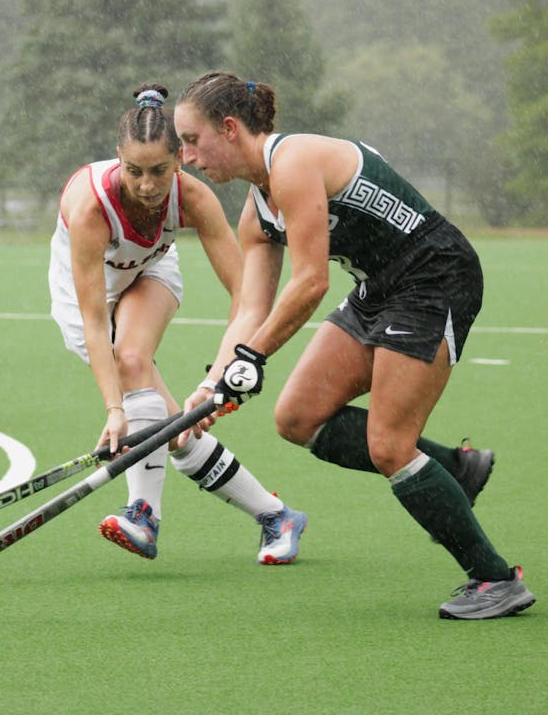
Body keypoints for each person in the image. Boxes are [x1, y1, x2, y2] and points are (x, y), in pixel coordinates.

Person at [174, 71, 535, 619]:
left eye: (192, 140)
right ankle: (454, 469)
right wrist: (211, 383)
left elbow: (311, 281)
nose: (188, 158)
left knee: (390, 445)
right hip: (379, 290)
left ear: (227, 129)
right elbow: (250, 309)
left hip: (435, 278)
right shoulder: (255, 211)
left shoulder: (292, 163)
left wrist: (251, 359)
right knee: (297, 418)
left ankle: (495, 578)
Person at [48, 84, 307, 564]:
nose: (147, 185)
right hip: (83, 293)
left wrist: (222, 377)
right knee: (176, 429)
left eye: (159, 171)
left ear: (180, 161)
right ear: (117, 161)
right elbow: (90, 316)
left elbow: (245, 296)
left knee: (132, 358)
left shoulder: (194, 200)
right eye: (134, 171)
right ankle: (276, 515)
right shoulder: (90, 208)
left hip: (150, 269)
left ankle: (142, 513)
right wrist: (113, 411)